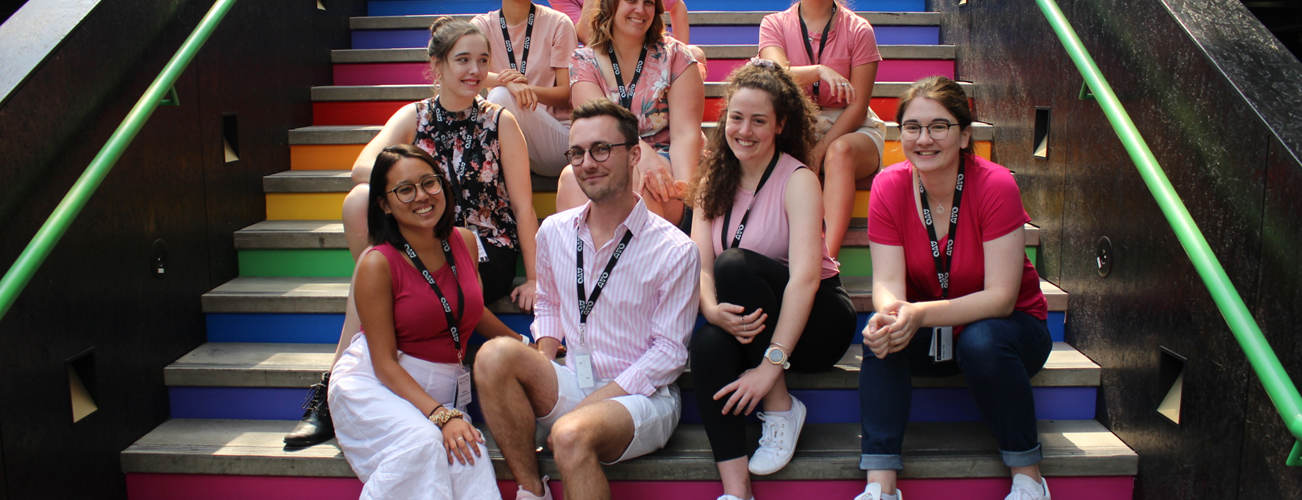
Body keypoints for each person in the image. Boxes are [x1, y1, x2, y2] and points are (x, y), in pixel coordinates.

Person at [284, 16, 538, 448]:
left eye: (482, 60)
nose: (474, 70)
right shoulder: (414, 116)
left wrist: (533, 277)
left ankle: (333, 385)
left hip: (480, 250)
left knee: (375, 279)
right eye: (462, 60)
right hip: (419, 243)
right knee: (359, 202)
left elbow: (522, 205)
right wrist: (417, 184)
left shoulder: (501, 122)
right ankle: (347, 384)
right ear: (436, 64)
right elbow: (363, 169)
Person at [474, 98, 701, 500]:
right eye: (576, 152)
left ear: (634, 155)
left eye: (600, 149)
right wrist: (543, 362)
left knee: (570, 434)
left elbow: (669, 354)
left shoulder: (675, 250)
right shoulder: (554, 232)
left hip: (640, 399)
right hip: (573, 379)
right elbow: (548, 304)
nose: (587, 163)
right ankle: (531, 490)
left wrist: (593, 402)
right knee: (494, 355)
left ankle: (569, 427)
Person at [856, 76, 1052, 500]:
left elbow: (1000, 298)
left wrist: (919, 313)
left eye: (938, 126)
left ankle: (1029, 480)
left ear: (964, 135)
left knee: (982, 340)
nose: (924, 139)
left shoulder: (996, 184)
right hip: (933, 332)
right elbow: (887, 283)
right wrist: (892, 314)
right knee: (881, 335)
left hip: (1009, 334)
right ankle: (881, 487)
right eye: (912, 127)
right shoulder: (888, 186)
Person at [687, 60, 857, 500]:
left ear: (780, 124)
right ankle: (736, 490)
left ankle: (780, 408)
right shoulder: (712, 180)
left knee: (735, 266)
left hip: (818, 322)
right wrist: (710, 310)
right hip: (755, 321)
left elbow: (803, 280)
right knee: (706, 345)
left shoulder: (798, 179)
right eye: (736, 118)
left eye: (759, 120)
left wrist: (768, 369)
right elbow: (700, 266)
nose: (744, 130)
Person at [327, 144, 499, 499]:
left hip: (440, 391)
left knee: (471, 463)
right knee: (423, 443)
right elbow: (384, 363)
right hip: (376, 384)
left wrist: (524, 344)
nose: (421, 196)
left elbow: (468, 310)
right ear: (384, 204)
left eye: (429, 183)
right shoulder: (377, 264)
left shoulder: (464, 241)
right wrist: (441, 416)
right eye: (405, 189)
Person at [556, 0, 706, 227]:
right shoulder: (584, 61)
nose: (640, 9)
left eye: (648, 2)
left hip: (667, 163)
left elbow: (685, 134)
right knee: (571, 179)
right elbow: (600, 129)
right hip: (608, 157)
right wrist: (641, 155)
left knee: (636, 181)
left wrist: (684, 192)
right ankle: (582, 261)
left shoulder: (677, 56)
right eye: (632, 1)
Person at [759, 0, 887, 259]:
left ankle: (825, 263)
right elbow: (775, 74)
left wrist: (818, 152)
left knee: (840, 152)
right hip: (798, 123)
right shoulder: (774, 23)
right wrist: (819, 71)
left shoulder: (859, 29)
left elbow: (858, 108)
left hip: (851, 126)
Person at [472, 0, 578, 177]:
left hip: (558, 139)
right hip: (514, 141)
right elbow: (466, 74)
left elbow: (567, 93)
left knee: (499, 96)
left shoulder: (558, 22)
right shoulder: (482, 25)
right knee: (494, 96)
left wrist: (525, 90)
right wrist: (507, 82)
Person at [551, 0, 708, 79]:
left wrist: (678, 55)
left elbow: (677, 5)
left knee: (694, 55)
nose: (639, 7)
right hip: (605, 58)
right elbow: (588, 36)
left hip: (644, 53)